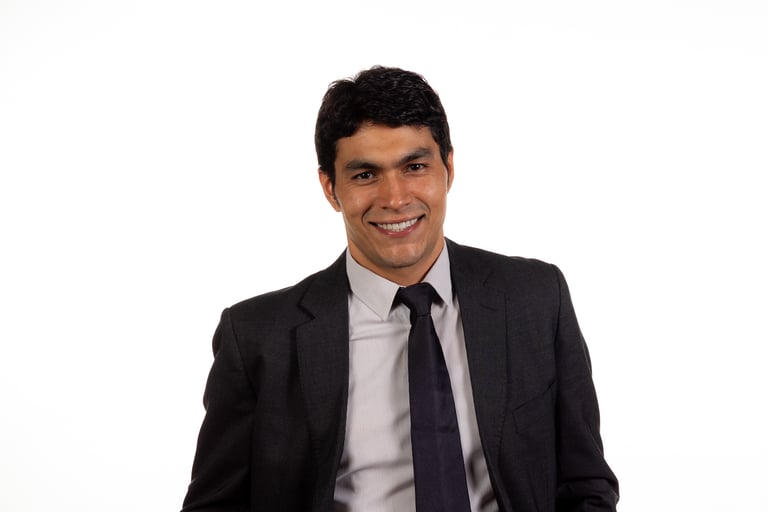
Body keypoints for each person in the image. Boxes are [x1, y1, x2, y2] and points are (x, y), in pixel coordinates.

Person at [181, 66, 619, 512]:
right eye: (365, 175)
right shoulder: (257, 338)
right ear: (330, 188)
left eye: (414, 167)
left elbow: (586, 484)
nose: (395, 198)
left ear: (448, 169)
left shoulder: (535, 299)